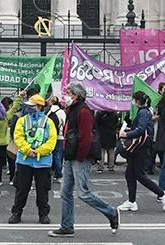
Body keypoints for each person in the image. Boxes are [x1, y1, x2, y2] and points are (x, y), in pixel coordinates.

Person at [49, 82, 119, 238]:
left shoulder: (83, 111)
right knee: (65, 192)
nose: (65, 95)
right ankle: (66, 226)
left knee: (83, 193)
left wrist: (80, 156)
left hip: (80, 157)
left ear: (76, 95)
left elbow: (86, 137)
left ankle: (112, 212)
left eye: (68, 93)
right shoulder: (72, 110)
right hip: (71, 156)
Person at [8, 93, 56, 224]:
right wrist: (28, 151)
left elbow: (52, 141)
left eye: (32, 106)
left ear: (40, 107)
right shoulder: (22, 120)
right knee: (21, 189)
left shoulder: (48, 122)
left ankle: (43, 214)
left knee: (43, 190)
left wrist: (38, 151)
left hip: (43, 162)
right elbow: (17, 137)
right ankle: (16, 213)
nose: (29, 108)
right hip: (25, 160)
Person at [118, 91, 165, 212]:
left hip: (141, 148)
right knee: (130, 174)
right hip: (138, 148)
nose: (132, 102)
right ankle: (131, 201)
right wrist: (130, 129)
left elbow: (141, 130)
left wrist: (126, 134)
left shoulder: (144, 112)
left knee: (139, 175)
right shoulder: (143, 112)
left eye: (133, 99)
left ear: (138, 101)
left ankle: (163, 194)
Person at [47, 95, 67, 181]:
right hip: (60, 136)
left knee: (49, 154)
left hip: (50, 137)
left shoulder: (47, 112)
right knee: (58, 156)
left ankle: (49, 171)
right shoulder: (61, 112)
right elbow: (64, 123)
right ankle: (58, 174)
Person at [94, 109, 119, 174]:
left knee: (102, 150)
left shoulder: (99, 113)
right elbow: (116, 123)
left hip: (102, 133)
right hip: (111, 133)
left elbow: (96, 122)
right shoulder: (114, 113)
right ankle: (111, 167)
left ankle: (100, 167)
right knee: (111, 151)